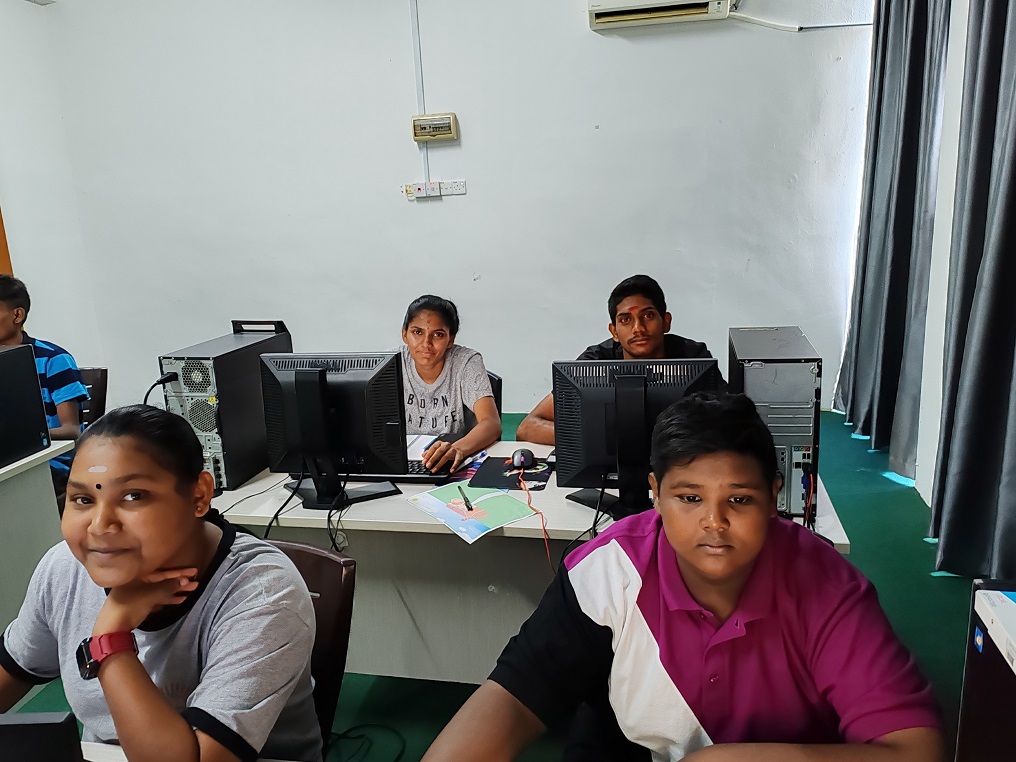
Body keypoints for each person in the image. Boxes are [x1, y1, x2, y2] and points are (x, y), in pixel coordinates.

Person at [424, 393, 944, 762]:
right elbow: (514, 697)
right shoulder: (609, 571)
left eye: (739, 500)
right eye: (689, 498)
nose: (713, 523)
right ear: (654, 492)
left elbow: (915, 748)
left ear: (774, 496)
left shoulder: (829, 591)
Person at [0, 405, 323, 762]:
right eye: (83, 499)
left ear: (199, 496)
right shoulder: (64, 569)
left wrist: (110, 635)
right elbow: (13, 668)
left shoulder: (264, 593)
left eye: (133, 496)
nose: (99, 525)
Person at [516, 274, 723, 445]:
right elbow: (528, 427)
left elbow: (731, 421)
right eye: (626, 320)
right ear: (614, 331)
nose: (638, 328)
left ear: (666, 322)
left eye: (648, 316)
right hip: (610, 471)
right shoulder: (595, 363)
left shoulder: (693, 358)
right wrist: (608, 439)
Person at [0, 274, 89, 491]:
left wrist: (19, 437)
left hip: (50, 462)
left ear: (17, 315)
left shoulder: (53, 360)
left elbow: (71, 430)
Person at [399, 295, 501, 472]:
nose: (426, 343)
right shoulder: (392, 363)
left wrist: (458, 449)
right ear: (404, 334)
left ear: (450, 340)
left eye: (438, 335)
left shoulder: (466, 362)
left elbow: (491, 423)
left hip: (453, 462)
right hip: (404, 462)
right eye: (417, 332)